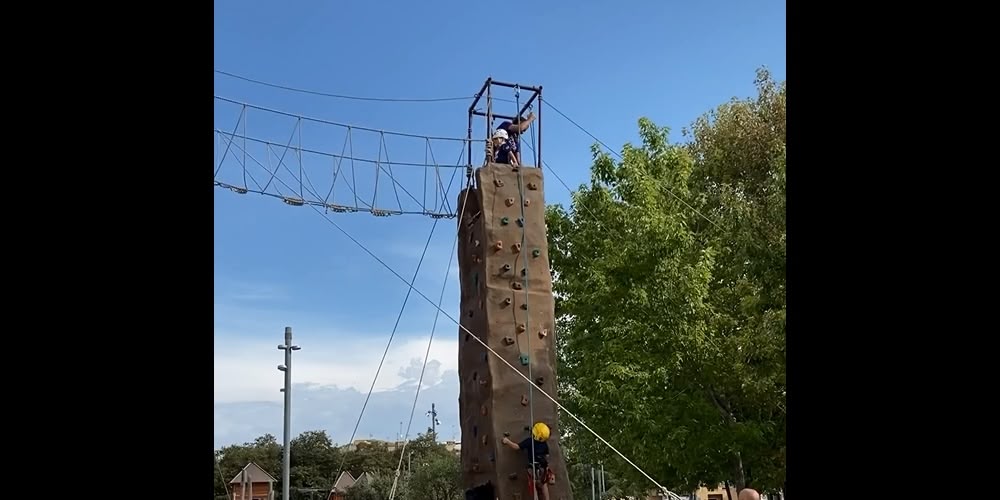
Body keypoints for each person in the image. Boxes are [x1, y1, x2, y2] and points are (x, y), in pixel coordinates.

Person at [501, 421, 554, 500]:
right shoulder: (544, 443)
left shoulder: (530, 441)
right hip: (543, 467)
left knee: (533, 485)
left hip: (533, 467)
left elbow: (517, 447)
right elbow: (547, 455)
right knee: (544, 485)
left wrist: (507, 441)